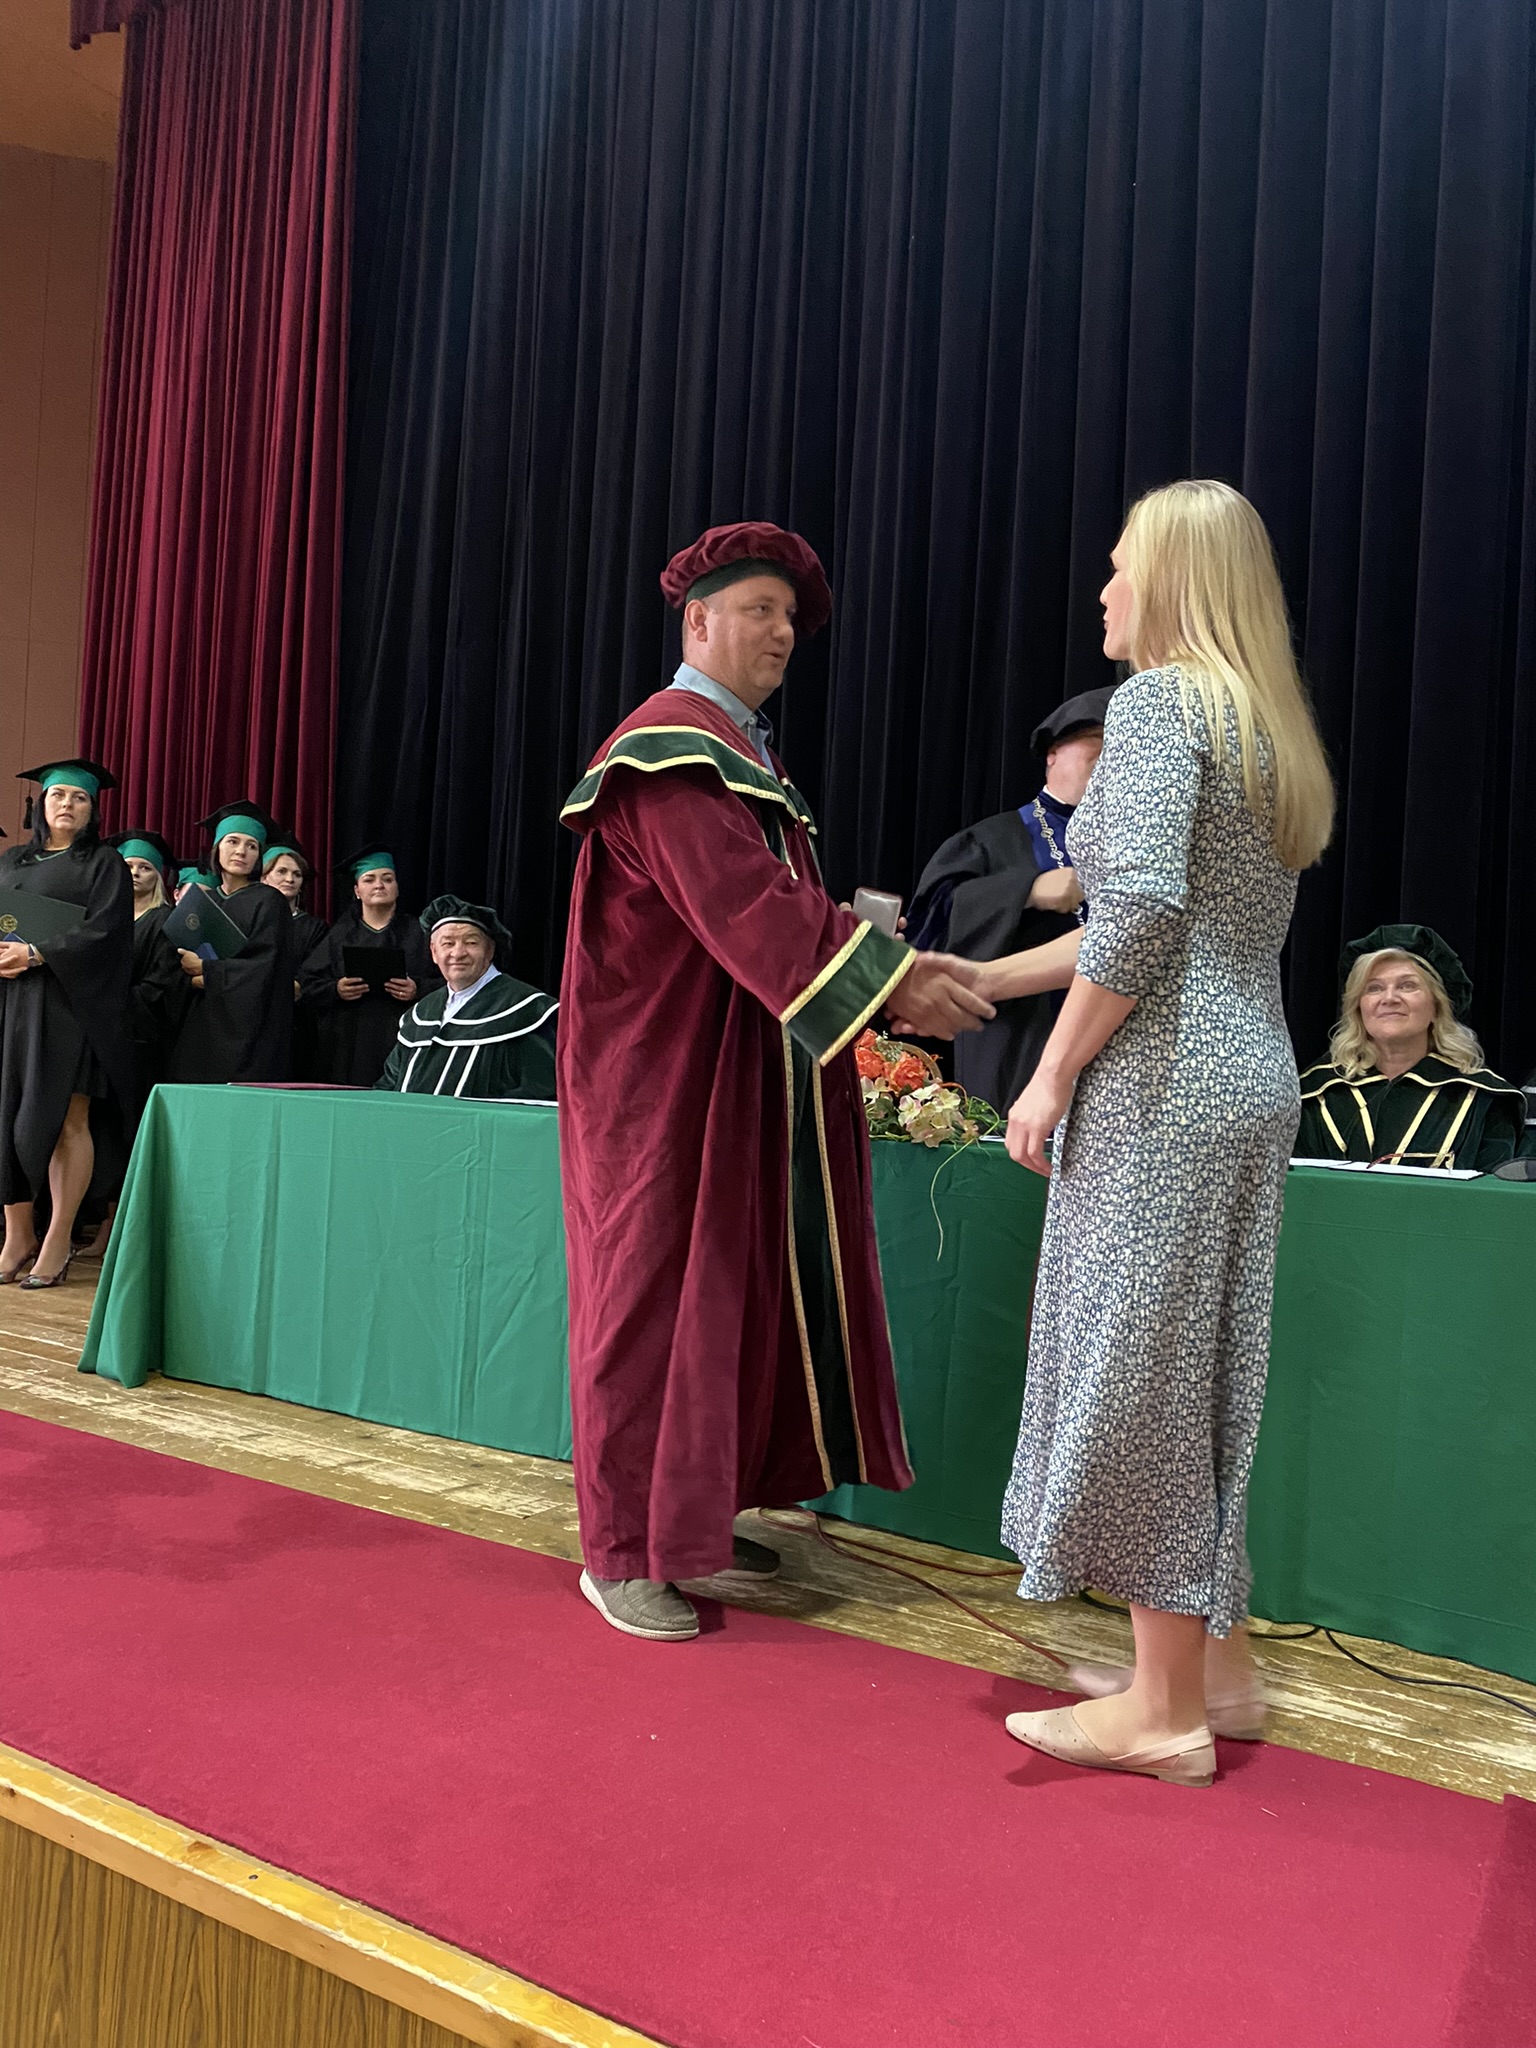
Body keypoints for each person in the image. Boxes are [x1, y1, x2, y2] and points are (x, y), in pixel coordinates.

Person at [559, 520, 994, 1643]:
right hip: (663, 1084)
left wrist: (879, 960)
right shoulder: (668, 749)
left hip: (736, 1073)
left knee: (735, 1294)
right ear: (698, 621)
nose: (785, 632)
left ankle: (691, 1520)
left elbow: (781, 913)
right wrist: (897, 982)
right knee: (652, 1305)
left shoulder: (743, 754)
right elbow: (749, 908)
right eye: (761, 610)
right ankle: (622, 1549)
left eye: (792, 616)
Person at [996, 480, 1335, 1787]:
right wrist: (993, 977)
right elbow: (1164, 922)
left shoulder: (1154, 706)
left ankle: (1163, 1711)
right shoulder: (1261, 724)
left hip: (1164, 1085)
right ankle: (1212, 1670)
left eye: (1121, 564)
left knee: (1138, 1380)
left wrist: (1050, 1074)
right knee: (1201, 1379)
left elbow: (1135, 923)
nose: (1104, 589)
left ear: (1176, 579)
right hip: (1247, 1073)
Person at [907, 687, 1113, 1108]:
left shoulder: (1143, 843)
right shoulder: (990, 841)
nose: (1110, 755)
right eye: (1096, 741)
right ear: (1052, 754)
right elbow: (930, 926)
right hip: (1019, 1051)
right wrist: (1025, 892)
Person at [0, 761, 136, 1288]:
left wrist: (36, 953)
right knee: (6, 1119)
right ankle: (18, 1236)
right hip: (11, 1004)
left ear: (92, 810)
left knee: (65, 1120)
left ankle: (57, 1238)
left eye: (79, 798)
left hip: (70, 1006)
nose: (67, 805)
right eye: (58, 795)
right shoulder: (13, 860)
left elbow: (107, 933)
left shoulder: (104, 864)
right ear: (42, 804)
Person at [1295, 926, 1527, 1170]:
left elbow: (1493, 1190)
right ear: (1358, 1008)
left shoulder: (1482, 1100)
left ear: (1438, 1006)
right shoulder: (1314, 1095)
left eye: (1407, 986)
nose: (1389, 998)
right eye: (1374, 988)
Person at [375, 896, 554, 1097]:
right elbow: (388, 1087)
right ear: (434, 952)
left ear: (490, 951)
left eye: (471, 942)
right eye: (448, 943)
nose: (458, 953)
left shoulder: (529, 1011)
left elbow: (540, 1091)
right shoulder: (419, 1015)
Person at [169, 802, 293, 1084]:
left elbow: (267, 969)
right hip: (198, 1029)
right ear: (217, 848)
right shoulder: (203, 901)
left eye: (251, 846)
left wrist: (207, 971)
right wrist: (187, 976)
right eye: (233, 841)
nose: (241, 851)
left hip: (247, 1036)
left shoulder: (269, 902)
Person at [304, 847, 439, 1086]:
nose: (379, 885)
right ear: (357, 891)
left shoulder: (420, 934)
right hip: (348, 1044)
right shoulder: (339, 936)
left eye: (387, 879)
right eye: (369, 879)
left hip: (404, 1037)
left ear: (397, 888)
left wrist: (417, 989)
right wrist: (336, 989)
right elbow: (307, 984)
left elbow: (452, 985)